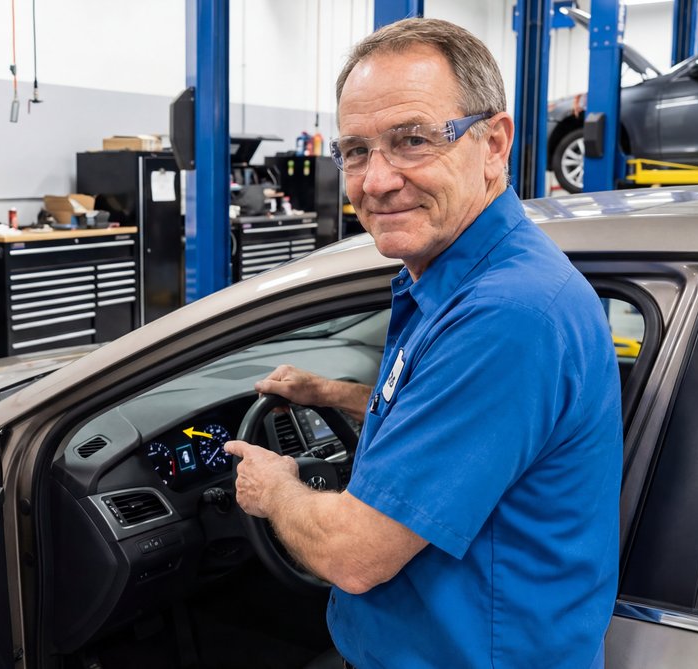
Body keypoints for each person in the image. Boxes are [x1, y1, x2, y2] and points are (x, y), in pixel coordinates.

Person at [223, 18, 622, 669]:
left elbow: (353, 555)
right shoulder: (463, 279)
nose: (376, 180)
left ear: (494, 144)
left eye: (412, 140)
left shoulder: (506, 315)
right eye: (356, 150)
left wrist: (275, 488)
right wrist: (330, 392)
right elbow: (446, 412)